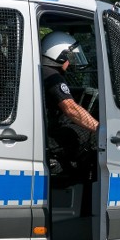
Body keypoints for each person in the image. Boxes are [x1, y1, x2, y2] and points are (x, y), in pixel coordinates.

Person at [41, 31, 99, 180]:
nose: (72, 61)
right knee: (88, 134)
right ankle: (84, 178)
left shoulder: (42, 71)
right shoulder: (52, 76)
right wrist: (100, 129)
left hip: (43, 132)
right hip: (48, 136)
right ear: (59, 56)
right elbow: (71, 109)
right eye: (70, 57)